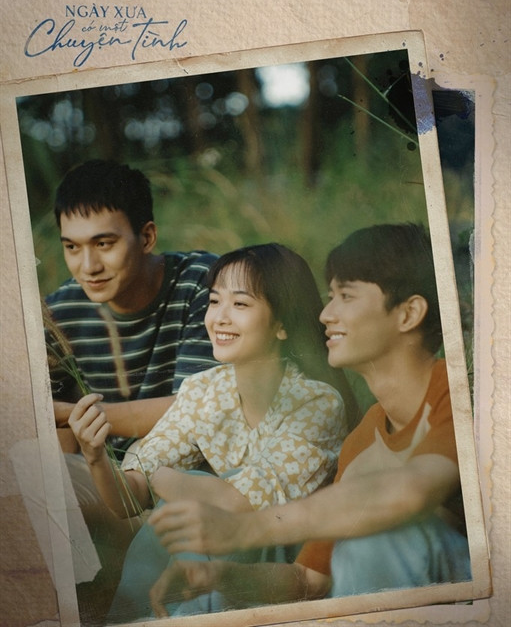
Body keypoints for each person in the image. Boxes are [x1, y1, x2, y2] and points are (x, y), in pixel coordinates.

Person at [145, 223, 472, 617]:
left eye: (345, 296)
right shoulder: (362, 441)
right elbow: (309, 580)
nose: (325, 314)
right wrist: (221, 578)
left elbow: (412, 492)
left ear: (408, 313)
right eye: (329, 297)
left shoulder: (459, 392)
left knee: (384, 531)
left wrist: (244, 529)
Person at [68, 242, 353, 623]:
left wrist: (167, 479)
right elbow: (128, 500)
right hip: (217, 548)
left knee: (200, 492)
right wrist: (95, 456)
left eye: (240, 304)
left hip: (279, 566)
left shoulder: (316, 403)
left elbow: (241, 504)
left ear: (282, 324)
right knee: (189, 499)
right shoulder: (204, 390)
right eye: (215, 301)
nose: (219, 317)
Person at [42, 159, 218, 621]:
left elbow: (198, 410)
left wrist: (64, 413)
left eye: (104, 244)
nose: (88, 266)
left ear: (147, 237)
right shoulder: (60, 311)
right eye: (72, 247)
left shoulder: (203, 283)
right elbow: (63, 446)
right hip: (111, 495)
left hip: (190, 492)